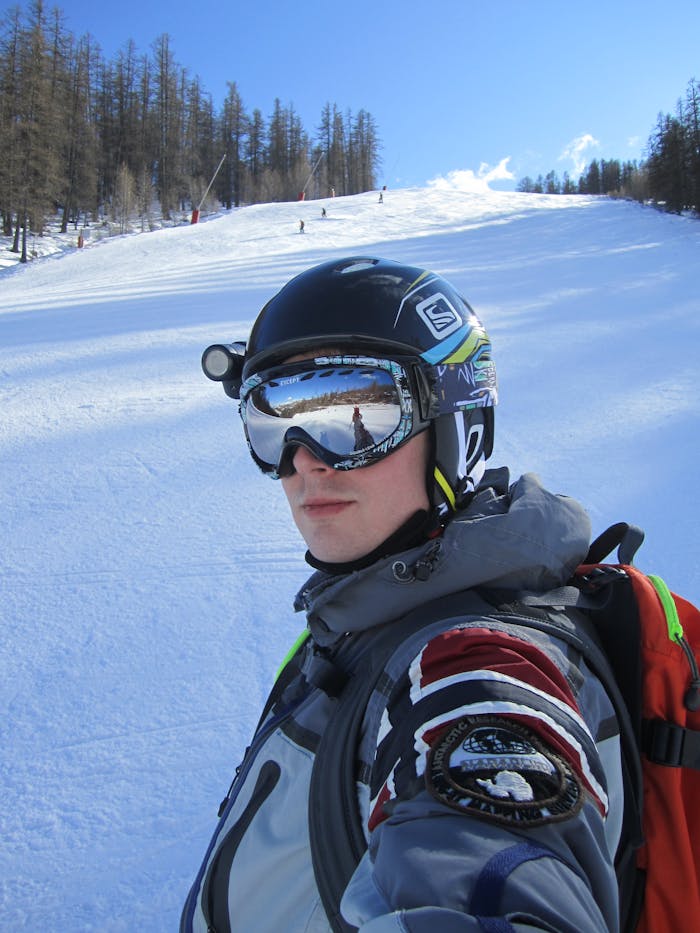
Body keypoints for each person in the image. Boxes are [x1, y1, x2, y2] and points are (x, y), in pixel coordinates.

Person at [183, 256, 623, 932]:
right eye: (275, 420)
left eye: (355, 413)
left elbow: (488, 870)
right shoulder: (362, 618)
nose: (304, 460)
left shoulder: (473, 668)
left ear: (453, 424)